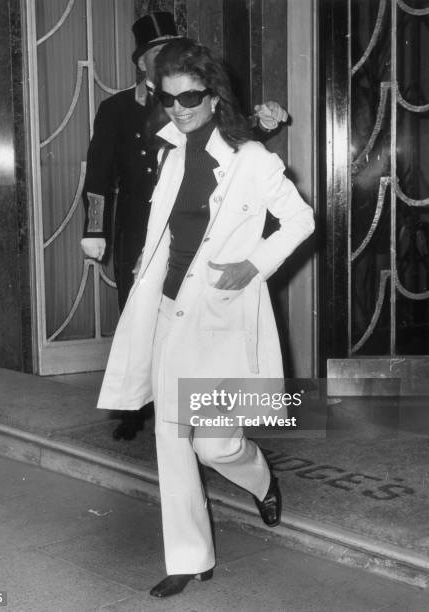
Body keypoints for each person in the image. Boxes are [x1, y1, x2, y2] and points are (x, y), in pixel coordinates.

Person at [96, 38, 314, 598]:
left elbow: (301, 220)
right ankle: (190, 558)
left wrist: (255, 263)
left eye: (190, 96)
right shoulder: (169, 150)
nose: (179, 109)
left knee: (213, 445)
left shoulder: (253, 160)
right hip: (170, 310)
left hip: (220, 314)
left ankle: (259, 478)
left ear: (214, 96)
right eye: (169, 100)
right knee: (171, 438)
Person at [81, 11, 288, 442]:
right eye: (157, 53)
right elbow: (98, 173)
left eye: (172, 49)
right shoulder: (118, 107)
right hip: (141, 225)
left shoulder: (190, 95)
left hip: (187, 227)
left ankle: (197, 417)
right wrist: (94, 230)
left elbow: (223, 143)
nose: (166, 58)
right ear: (142, 63)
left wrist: (262, 126)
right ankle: (138, 404)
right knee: (139, 318)